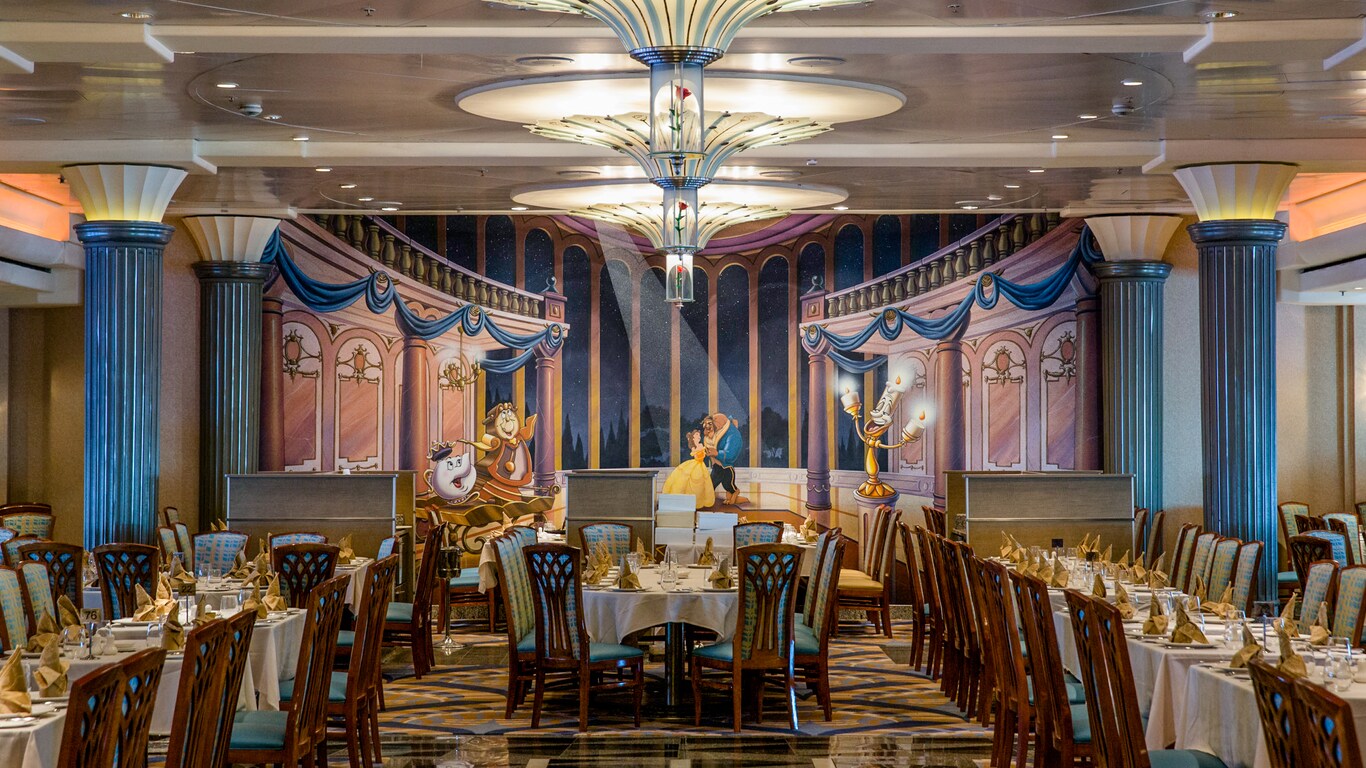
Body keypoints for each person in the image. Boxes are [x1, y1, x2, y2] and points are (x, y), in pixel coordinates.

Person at [662, 429, 716, 509]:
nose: (698, 437)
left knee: (702, 482)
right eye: (697, 435)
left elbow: (702, 454)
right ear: (693, 437)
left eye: (698, 435)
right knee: (687, 479)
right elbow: (696, 455)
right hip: (696, 464)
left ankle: (698, 501)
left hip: (701, 465)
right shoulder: (695, 447)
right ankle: (684, 501)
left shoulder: (701, 445)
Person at [705, 412, 747, 506]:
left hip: (725, 467)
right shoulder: (719, 430)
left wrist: (716, 453)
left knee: (728, 486)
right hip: (717, 467)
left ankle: (734, 496)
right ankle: (707, 501)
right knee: (710, 486)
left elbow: (731, 455)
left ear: (719, 423)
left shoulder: (733, 435)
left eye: (713, 424)